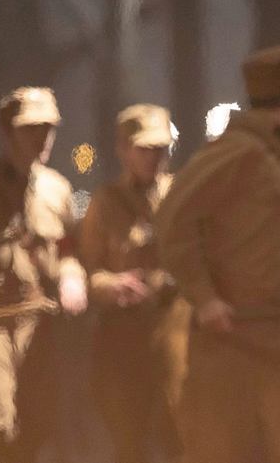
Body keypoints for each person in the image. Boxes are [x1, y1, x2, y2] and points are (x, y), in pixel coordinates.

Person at [156, 46, 280, 463]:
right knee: (222, 451)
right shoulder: (241, 151)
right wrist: (205, 298)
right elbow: (172, 219)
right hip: (235, 338)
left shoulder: (276, 155)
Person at [78, 104, 189, 463]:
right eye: (144, 149)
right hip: (123, 337)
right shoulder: (106, 203)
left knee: (182, 435)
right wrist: (109, 285)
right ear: (124, 150)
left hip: (176, 331)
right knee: (128, 437)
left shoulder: (183, 196)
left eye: (161, 148)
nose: (154, 157)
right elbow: (89, 269)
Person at [0, 87, 87, 462]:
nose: (42, 137)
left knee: (40, 420)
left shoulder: (57, 189)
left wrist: (72, 277)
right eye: (30, 128)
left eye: (48, 128)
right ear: (8, 131)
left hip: (39, 322)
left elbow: (68, 250)